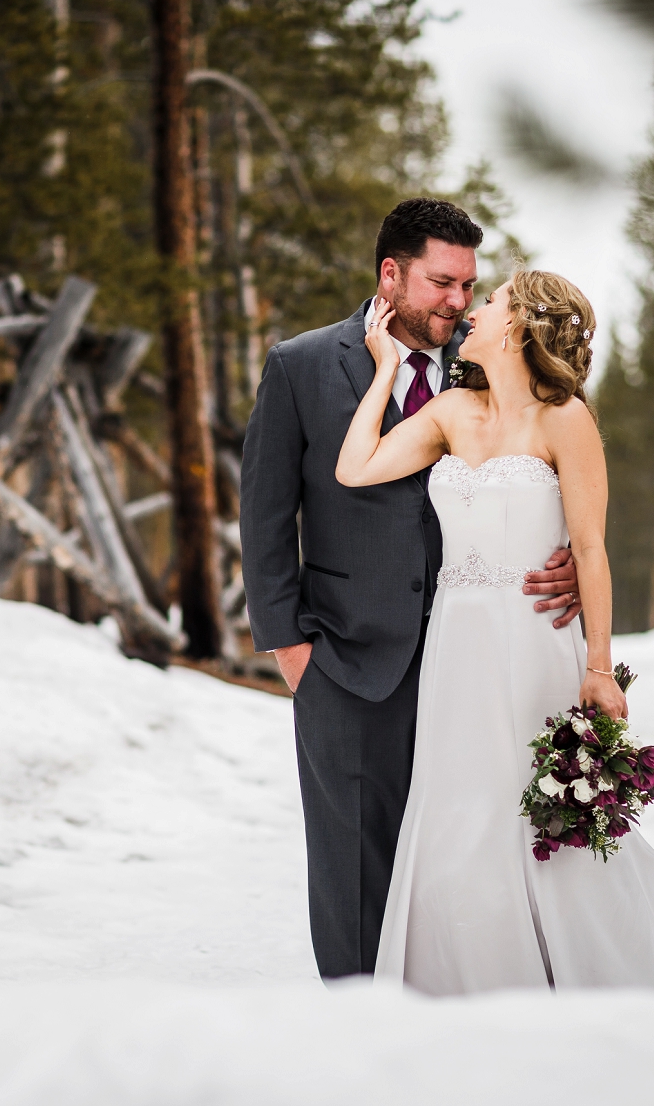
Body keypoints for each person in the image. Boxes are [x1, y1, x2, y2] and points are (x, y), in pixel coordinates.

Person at [239, 199, 581, 981]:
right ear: (389, 274)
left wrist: (563, 553)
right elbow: (263, 515)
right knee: (355, 867)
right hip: (348, 658)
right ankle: (364, 1048)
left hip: (479, 659)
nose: (459, 302)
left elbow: (561, 469)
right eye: (440, 283)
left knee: (477, 854)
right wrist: (293, 649)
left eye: (468, 284)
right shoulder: (299, 364)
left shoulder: (497, 358)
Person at [336, 270, 654, 996]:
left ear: (520, 324)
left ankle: (594, 986)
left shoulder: (567, 419)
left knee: (537, 805)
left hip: (534, 644)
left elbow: (589, 548)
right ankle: (467, 986)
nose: (475, 309)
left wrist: (599, 667)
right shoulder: (452, 410)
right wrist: (385, 372)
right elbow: (355, 466)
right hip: (455, 644)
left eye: (490, 300)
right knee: (460, 808)